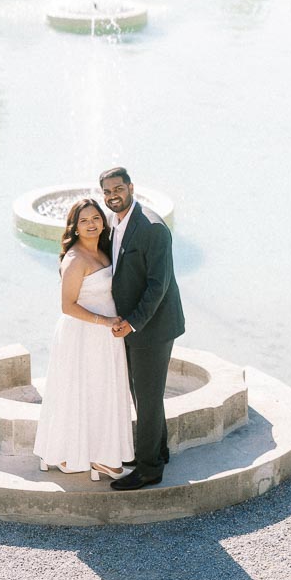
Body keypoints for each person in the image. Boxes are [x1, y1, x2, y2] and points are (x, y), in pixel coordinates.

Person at [33, 197, 134, 480]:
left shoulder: (104, 251)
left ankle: (98, 456)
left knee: (103, 393)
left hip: (106, 335)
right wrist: (104, 322)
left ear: (103, 221)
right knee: (83, 392)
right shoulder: (75, 260)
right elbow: (67, 306)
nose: (91, 224)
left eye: (95, 218)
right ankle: (87, 457)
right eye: (84, 220)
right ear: (75, 227)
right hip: (83, 334)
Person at [101, 166, 185, 491]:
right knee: (143, 393)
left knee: (147, 398)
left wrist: (132, 323)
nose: (112, 196)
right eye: (107, 192)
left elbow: (157, 286)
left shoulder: (152, 228)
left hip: (153, 328)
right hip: (134, 327)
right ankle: (158, 451)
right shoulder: (116, 223)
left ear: (131, 187)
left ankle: (149, 469)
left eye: (117, 189)